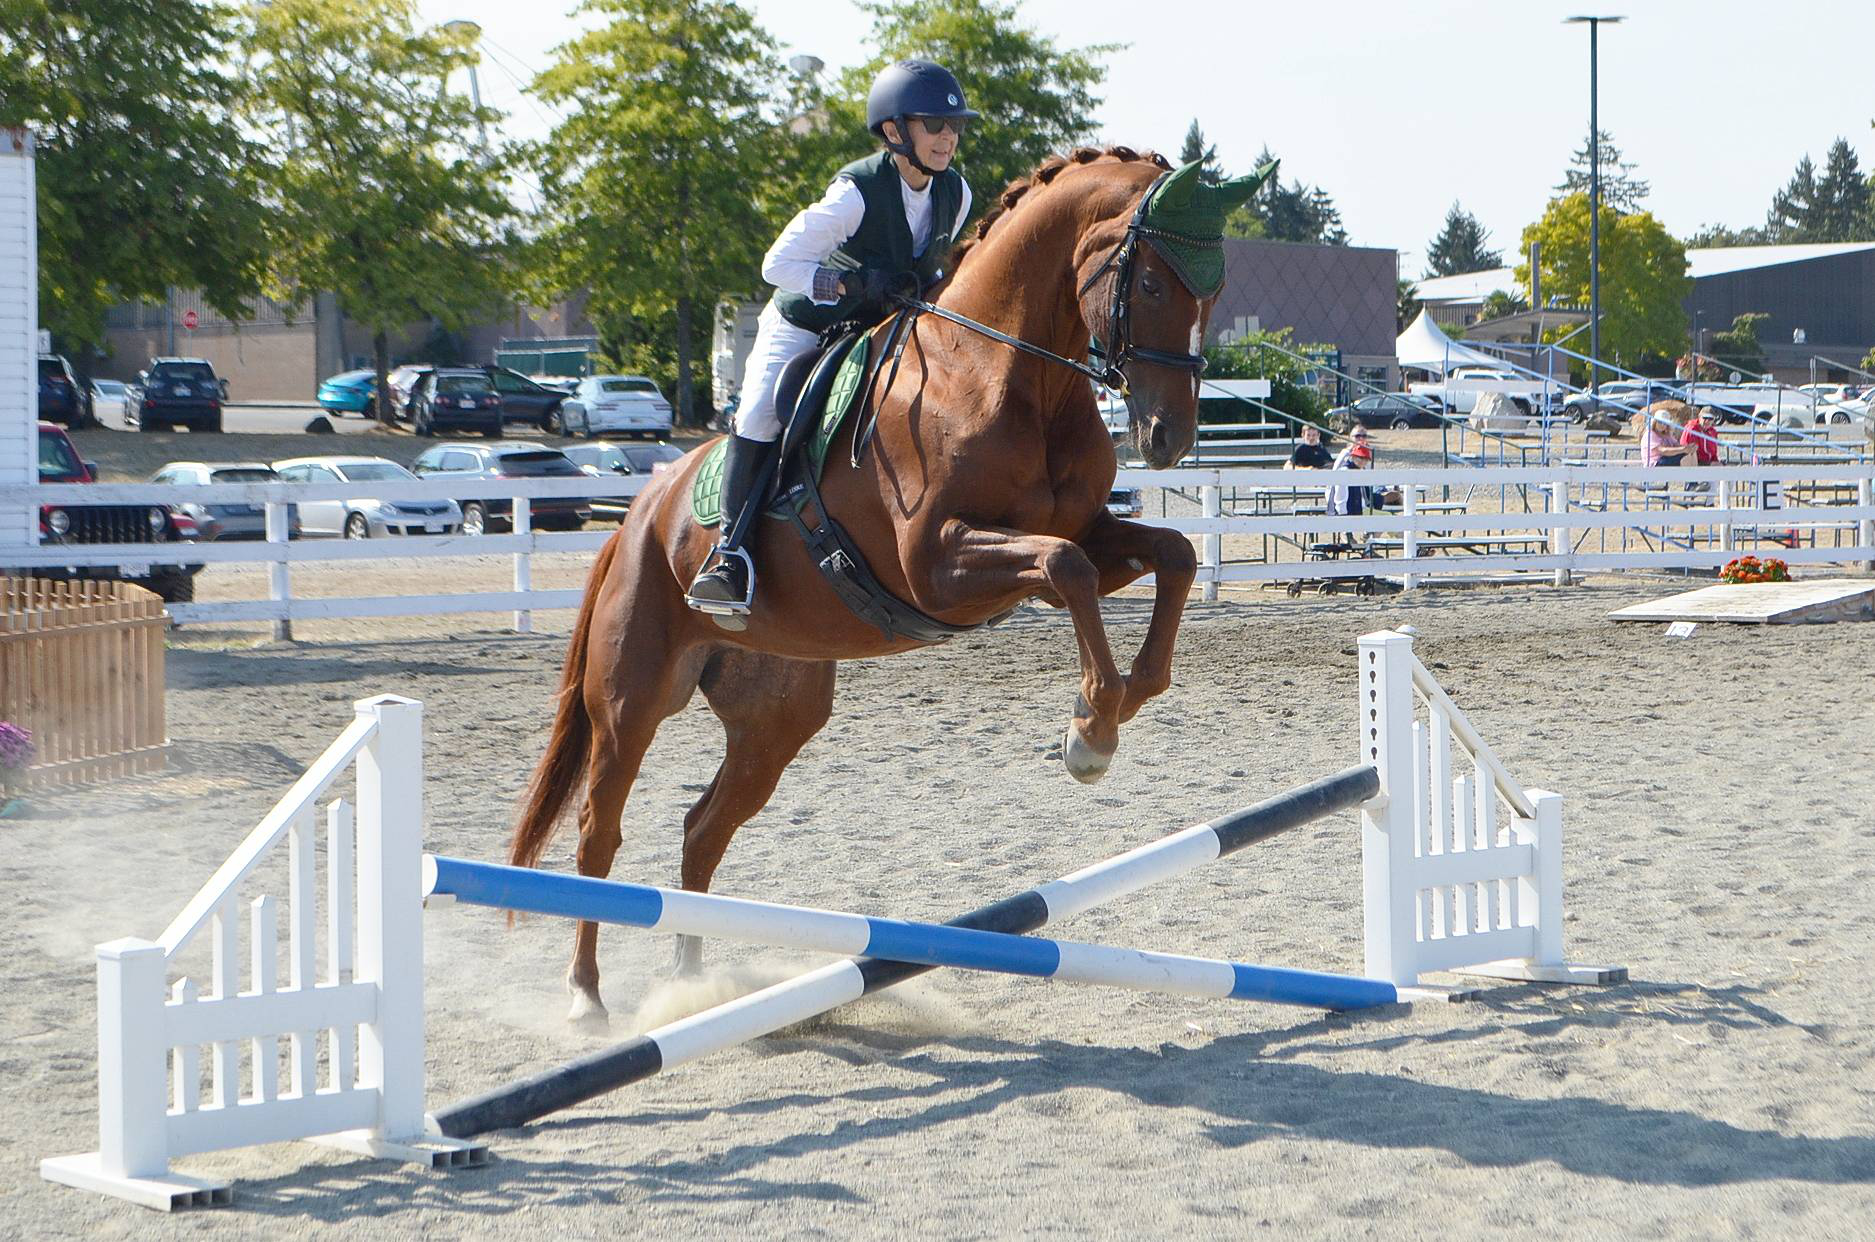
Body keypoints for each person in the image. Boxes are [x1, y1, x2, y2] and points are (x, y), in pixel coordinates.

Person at [686, 59, 979, 619]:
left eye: (954, 126)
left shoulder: (956, 194)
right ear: (894, 131)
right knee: (759, 414)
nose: (948, 137)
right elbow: (777, 265)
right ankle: (729, 555)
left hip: (878, 330)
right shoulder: (855, 193)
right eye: (934, 125)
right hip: (806, 324)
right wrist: (849, 284)